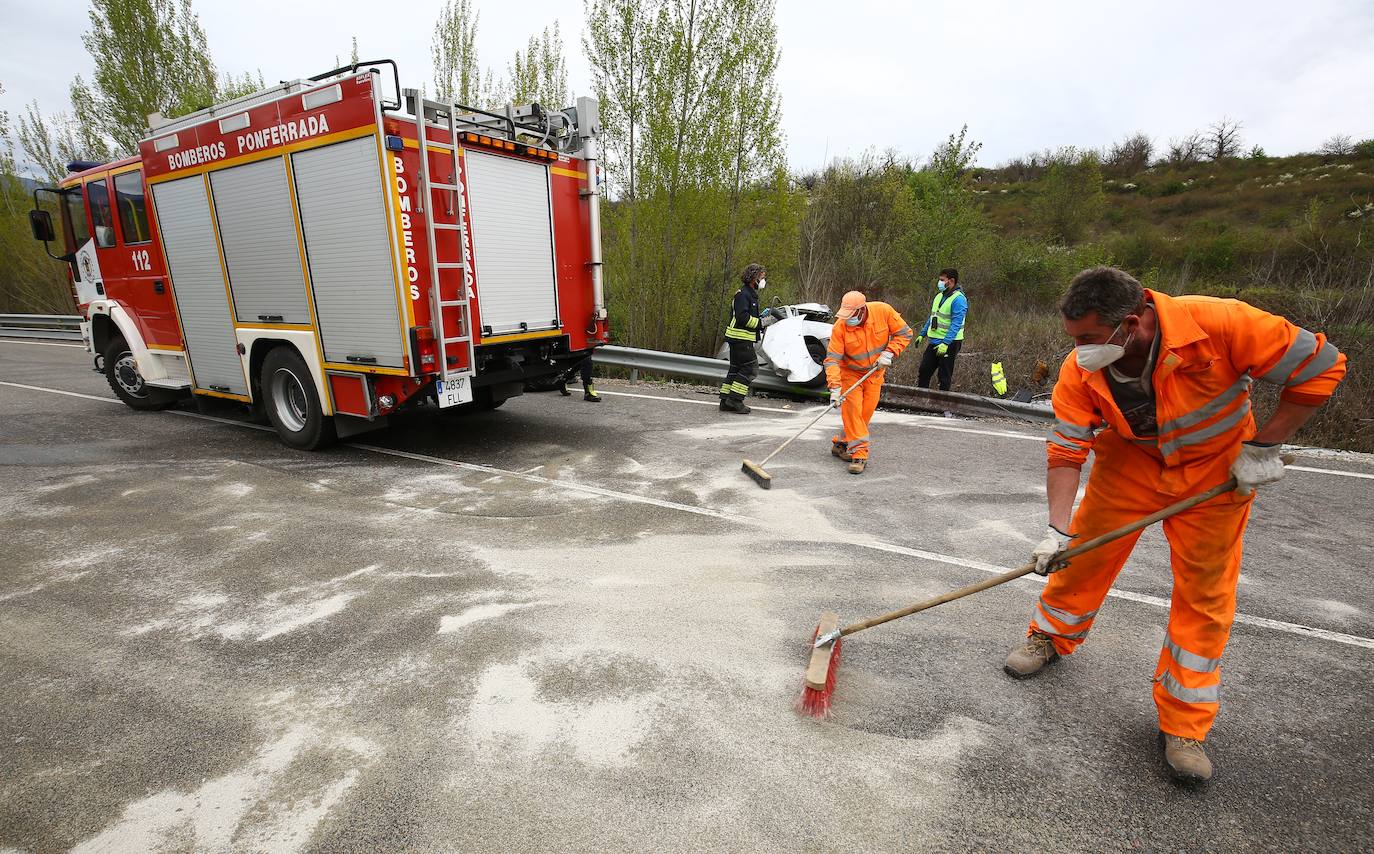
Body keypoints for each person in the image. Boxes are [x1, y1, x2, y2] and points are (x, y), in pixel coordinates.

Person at [1003, 266, 1346, 784]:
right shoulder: (1081, 370)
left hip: (1217, 472)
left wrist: (1265, 444)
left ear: (1133, 321)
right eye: (1073, 339)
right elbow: (1067, 448)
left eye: (1090, 338)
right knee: (1085, 554)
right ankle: (1049, 636)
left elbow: (1322, 367)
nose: (1079, 350)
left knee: (1205, 595)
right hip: (1130, 464)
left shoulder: (1223, 323)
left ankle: (1184, 724)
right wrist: (1057, 530)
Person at [824, 290, 915, 474]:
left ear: (861, 310)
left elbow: (905, 333)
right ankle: (860, 454)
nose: (847, 319)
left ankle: (841, 443)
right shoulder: (840, 327)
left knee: (863, 415)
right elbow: (832, 360)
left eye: (850, 315)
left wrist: (889, 352)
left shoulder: (883, 311)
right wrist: (835, 388)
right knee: (853, 411)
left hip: (874, 373)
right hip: (850, 374)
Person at [720, 263, 772, 414]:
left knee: (736, 369)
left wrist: (760, 317)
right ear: (753, 278)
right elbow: (743, 317)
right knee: (750, 369)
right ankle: (735, 400)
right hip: (740, 339)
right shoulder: (743, 294)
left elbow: (746, 315)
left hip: (738, 339)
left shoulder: (748, 294)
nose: (763, 281)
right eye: (761, 277)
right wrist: (760, 323)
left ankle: (725, 401)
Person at [917, 268, 967, 391]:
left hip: (950, 342)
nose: (939, 283)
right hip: (934, 340)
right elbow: (933, 316)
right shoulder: (939, 296)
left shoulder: (958, 299)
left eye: (941, 280)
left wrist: (946, 343)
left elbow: (956, 323)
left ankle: (942, 405)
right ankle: (921, 400)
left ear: (951, 281)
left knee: (944, 375)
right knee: (924, 370)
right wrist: (922, 334)